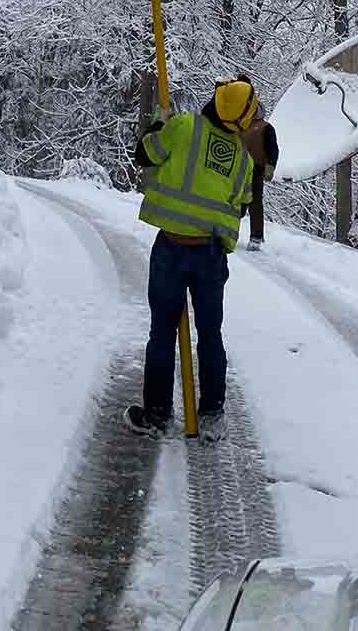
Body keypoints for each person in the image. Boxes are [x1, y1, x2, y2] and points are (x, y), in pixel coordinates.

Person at [124, 76, 259, 442]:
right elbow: (242, 207)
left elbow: (144, 153)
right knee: (210, 334)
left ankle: (157, 415)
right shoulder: (244, 163)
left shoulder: (182, 128)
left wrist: (159, 122)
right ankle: (212, 413)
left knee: (162, 334)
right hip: (210, 257)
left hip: (171, 248)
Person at [242, 109, 280, 248]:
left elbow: (273, 149)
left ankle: (256, 237)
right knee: (235, 202)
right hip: (238, 169)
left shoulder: (266, 128)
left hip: (255, 169)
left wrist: (270, 167)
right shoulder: (240, 125)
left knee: (255, 202)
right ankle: (228, 232)